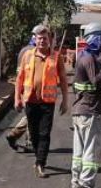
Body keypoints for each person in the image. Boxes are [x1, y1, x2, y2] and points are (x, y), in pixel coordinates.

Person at [15, 24, 69, 178]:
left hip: (48, 102)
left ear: (49, 40)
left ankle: (40, 163)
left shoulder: (56, 57)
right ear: (35, 40)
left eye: (45, 38)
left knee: (45, 133)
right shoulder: (27, 55)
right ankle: (39, 157)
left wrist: (65, 100)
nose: (42, 41)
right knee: (34, 134)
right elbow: (20, 79)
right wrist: (17, 98)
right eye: (39, 38)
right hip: (31, 101)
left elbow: (64, 80)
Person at [71, 22, 101, 188]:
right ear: (95, 38)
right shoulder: (89, 58)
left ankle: (76, 183)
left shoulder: (83, 56)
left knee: (78, 152)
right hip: (89, 111)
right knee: (92, 149)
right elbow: (97, 82)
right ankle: (86, 186)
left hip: (81, 111)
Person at [6, 37, 36, 151]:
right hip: (31, 88)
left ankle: (14, 135)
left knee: (30, 114)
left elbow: (19, 73)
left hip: (23, 87)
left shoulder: (23, 50)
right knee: (33, 115)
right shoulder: (33, 52)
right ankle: (29, 142)